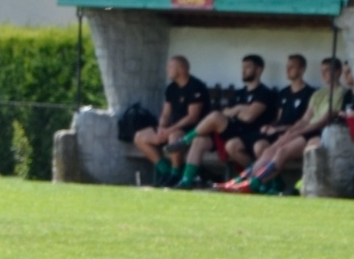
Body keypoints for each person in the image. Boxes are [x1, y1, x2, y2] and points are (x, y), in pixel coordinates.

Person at [220, 58, 354, 193]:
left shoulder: (343, 94)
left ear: (338, 72)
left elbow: (321, 122)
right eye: (322, 71)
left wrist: (296, 132)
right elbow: (305, 119)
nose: (324, 74)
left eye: (328, 70)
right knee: (271, 149)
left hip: (317, 133)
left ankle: (254, 183)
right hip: (305, 130)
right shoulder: (317, 94)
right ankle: (242, 179)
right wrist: (290, 130)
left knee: (281, 152)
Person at [169, 54, 275, 189]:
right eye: (243, 67)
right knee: (199, 140)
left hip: (248, 134)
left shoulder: (264, 93)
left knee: (215, 117)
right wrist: (239, 108)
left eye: (248, 67)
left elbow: (248, 117)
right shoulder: (239, 93)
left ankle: (184, 140)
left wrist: (235, 112)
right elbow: (225, 112)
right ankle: (185, 181)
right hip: (229, 131)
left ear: (259, 69)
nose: (243, 70)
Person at [134, 55, 208, 186]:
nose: (167, 70)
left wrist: (169, 131)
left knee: (174, 137)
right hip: (171, 128)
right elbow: (166, 113)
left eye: (170, 67)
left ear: (180, 69)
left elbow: (193, 117)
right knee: (139, 137)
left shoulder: (196, 87)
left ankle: (175, 174)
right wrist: (161, 128)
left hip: (191, 131)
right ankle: (165, 171)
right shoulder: (171, 88)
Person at [253, 54, 314, 158]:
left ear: (302, 69)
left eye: (292, 67)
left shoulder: (311, 93)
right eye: (287, 67)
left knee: (274, 151)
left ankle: (266, 173)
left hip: (295, 133)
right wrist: (270, 126)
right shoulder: (283, 92)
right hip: (278, 131)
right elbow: (279, 118)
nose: (288, 70)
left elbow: (307, 122)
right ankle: (270, 174)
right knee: (259, 147)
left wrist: (281, 129)